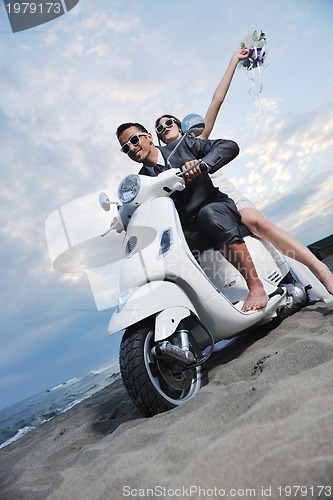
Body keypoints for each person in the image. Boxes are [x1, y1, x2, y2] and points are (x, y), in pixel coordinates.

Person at [153, 48, 333, 296]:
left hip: (227, 195)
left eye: (168, 123)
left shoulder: (197, 139)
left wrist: (233, 61)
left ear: (179, 125)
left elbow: (217, 99)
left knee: (259, 224)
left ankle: (320, 268)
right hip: (204, 211)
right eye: (159, 129)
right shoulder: (163, 166)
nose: (164, 128)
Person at [116, 122, 268, 312]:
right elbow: (137, 209)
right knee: (160, 254)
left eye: (134, 139)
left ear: (148, 136)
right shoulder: (140, 182)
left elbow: (229, 146)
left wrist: (202, 164)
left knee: (209, 215)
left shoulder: (183, 145)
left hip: (214, 207)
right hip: (187, 229)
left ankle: (255, 286)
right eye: (125, 147)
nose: (131, 147)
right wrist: (121, 217)